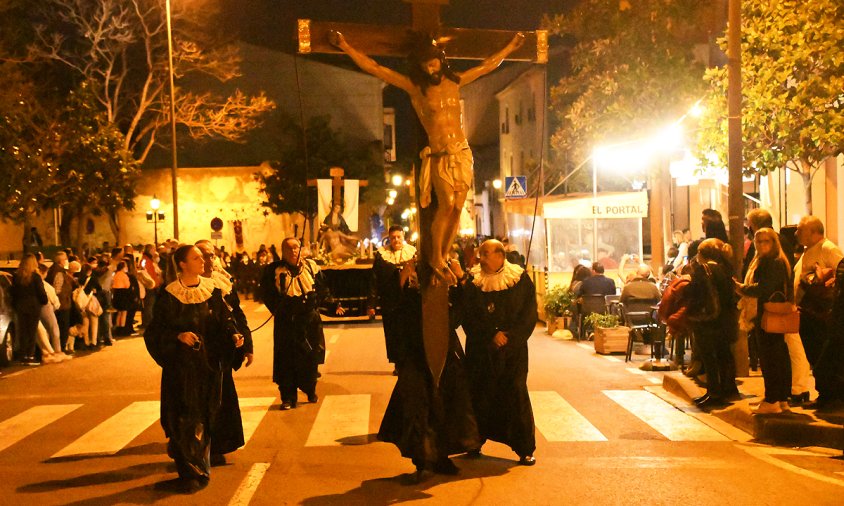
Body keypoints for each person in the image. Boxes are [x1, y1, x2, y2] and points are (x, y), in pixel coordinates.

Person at [330, 29, 525, 282]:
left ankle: (444, 254)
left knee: (457, 208)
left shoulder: (456, 81)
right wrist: (345, 44)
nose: (430, 69)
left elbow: (488, 66)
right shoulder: (415, 88)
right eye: (424, 66)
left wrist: (511, 48)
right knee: (445, 205)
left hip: (461, 152)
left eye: (432, 63)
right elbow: (376, 68)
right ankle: (436, 257)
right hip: (440, 154)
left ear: (440, 61)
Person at [144, 244, 244, 492]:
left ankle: (200, 468)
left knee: (206, 416)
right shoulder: (168, 295)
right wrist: (178, 336)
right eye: (196, 258)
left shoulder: (212, 291)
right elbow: (155, 332)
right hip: (181, 369)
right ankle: (189, 473)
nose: (203, 261)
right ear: (182, 264)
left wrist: (234, 335)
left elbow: (224, 319)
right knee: (183, 418)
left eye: (203, 257)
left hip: (207, 365)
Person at [377, 257, 480, 480]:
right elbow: (393, 308)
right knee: (419, 409)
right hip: (415, 356)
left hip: (445, 355)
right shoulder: (410, 294)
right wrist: (402, 279)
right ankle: (422, 462)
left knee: (445, 407)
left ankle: (441, 457)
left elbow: (465, 310)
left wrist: (460, 277)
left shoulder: (447, 294)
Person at [452, 239, 537, 466]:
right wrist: (490, 334)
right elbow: (468, 315)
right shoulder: (474, 282)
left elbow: (528, 315)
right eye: (481, 254)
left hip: (512, 351)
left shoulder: (520, 280)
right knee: (480, 393)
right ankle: (474, 441)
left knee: (516, 393)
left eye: (486, 254)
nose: (481, 258)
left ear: (500, 255)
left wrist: (510, 338)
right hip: (482, 349)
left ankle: (524, 448)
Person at [196, 240, 254, 465]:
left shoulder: (223, 281)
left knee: (223, 398)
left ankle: (220, 445)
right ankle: (200, 446)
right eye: (201, 255)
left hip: (221, 353)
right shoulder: (185, 286)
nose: (207, 260)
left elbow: (235, 314)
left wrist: (246, 343)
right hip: (200, 353)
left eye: (210, 255)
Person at [259, 238, 327, 410]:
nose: (293, 251)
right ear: (283, 251)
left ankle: (310, 389)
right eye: (288, 249)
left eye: (296, 247)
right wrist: (282, 310)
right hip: (286, 323)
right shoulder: (274, 270)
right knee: (286, 361)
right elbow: (267, 295)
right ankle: (288, 397)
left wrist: (318, 304)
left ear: (301, 249)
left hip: (309, 322)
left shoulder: (311, 267)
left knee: (309, 358)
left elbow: (322, 289)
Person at [736, 228, 793, 414]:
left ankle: (772, 399)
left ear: (774, 242)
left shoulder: (772, 262)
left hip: (768, 313)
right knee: (778, 356)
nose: (761, 245)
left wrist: (743, 288)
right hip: (774, 312)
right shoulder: (775, 261)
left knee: (770, 358)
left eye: (766, 241)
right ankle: (781, 398)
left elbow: (764, 287)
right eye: (758, 241)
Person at [685, 239, 739, 410]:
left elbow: (695, 293)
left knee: (710, 357)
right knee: (724, 355)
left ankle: (714, 392)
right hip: (725, 318)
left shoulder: (703, 270)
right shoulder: (726, 268)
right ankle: (726, 390)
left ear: (701, 254)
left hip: (707, 320)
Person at [793, 215, 843, 366]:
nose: (796, 233)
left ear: (814, 232)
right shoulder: (808, 250)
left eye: (800, 229)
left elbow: (839, 272)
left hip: (819, 315)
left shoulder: (827, 248)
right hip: (808, 312)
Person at [368, 225, 417, 375]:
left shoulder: (413, 253)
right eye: (393, 237)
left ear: (404, 237)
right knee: (393, 333)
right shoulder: (382, 255)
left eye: (399, 237)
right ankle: (397, 363)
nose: (396, 240)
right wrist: (371, 304)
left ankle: (410, 362)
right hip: (390, 300)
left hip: (409, 300)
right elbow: (374, 280)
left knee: (410, 330)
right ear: (389, 238)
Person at [11, 254, 48, 365]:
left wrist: (15, 304)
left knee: (23, 331)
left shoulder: (17, 277)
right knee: (32, 331)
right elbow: (41, 292)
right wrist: (44, 301)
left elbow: (14, 293)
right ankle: (30, 355)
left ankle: (23, 355)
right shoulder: (35, 277)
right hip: (33, 306)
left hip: (21, 306)